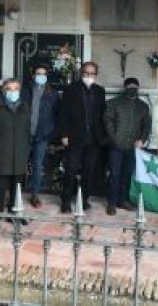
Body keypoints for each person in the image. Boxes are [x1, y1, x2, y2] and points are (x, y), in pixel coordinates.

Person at [0, 78, 31, 230]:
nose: (13, 92)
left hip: (19, 155)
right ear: (3, 91)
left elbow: (28, 130)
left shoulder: (24, 107)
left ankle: (14, 214)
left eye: (16, 89)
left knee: (17, 188)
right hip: (1, 155)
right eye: (9, 89)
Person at [58, 61, 107, 213]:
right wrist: (64, 134)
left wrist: (103, 135)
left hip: (93, 138)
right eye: (86, 73)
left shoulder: (100, 91)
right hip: (74, 137)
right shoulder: (70, 89)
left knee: (89, 170)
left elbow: (102, 114)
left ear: (96, 75)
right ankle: (66, 200)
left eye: (92, 74)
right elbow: (63, 113)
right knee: (70, 170)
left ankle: (84, 199)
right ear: (81, 73)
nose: (88, 76)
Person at [103, 77, 151, 215]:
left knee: (127, 174)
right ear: (125, 87)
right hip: (116, 146)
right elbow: (107, 121)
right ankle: (111, 203)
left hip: (132, 146)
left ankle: (122, 200)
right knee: (114, 174)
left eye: (135, 86)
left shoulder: (143, 106)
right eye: (129, 86)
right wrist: (114, 138)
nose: (132, 88)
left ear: (138, 88)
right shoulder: (114, 103)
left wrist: (142, 139)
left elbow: (146, 125)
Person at [24, 64, 60, 207]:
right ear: (33, 75)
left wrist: (50, 132)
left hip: (42, 137)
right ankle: (16, 193)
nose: (41, 76)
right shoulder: (25, 91)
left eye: (43, 74)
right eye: (38, 73)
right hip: (25, 134)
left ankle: (35, 195)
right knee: (20, 166)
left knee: (38, 166)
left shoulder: (53, 94)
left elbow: (57, 115)